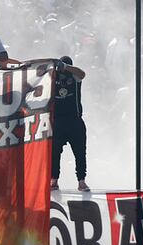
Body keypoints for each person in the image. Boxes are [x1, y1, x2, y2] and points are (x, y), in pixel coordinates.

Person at [50, 56, 90, 192]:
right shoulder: (52, 77)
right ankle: (53, 181)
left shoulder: (74, 77)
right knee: (54, 153)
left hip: (74, 120)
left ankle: (81, 181)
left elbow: (82, 74)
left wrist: (65, 67)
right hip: (57, 121)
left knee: (80, 153)